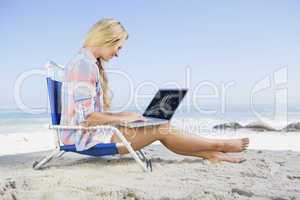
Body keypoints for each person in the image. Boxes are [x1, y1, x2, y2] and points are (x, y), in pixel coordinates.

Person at [60, 18, 249, 163]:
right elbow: (88, 118)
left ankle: (211, 153)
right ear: (108, 39)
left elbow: (90, 114)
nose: (117, 53)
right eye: (118, 47)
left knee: (159, 125)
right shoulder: (83, 66)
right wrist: (123, 119)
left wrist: (127, 115)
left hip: (95, 133)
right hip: (86, 138)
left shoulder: (87, 63)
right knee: (161, 128)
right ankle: (220, 145)